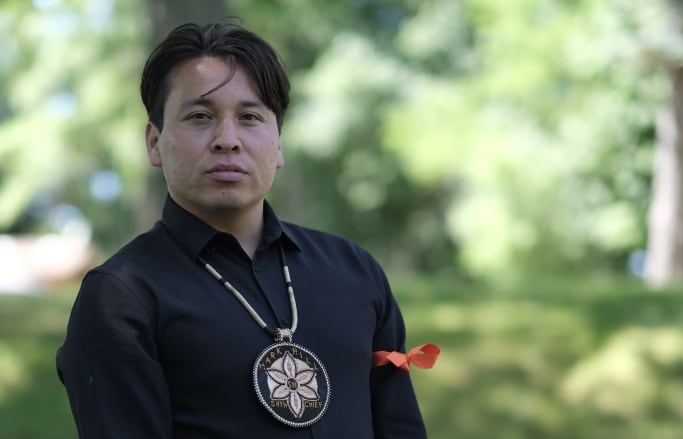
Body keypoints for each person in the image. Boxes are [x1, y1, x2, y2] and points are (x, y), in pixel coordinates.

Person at [56, 21, 437, 438]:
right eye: (200, 116)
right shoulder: (122, 297)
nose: (227, 140)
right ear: (154, 143)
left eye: (250, 117)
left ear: (279, 144)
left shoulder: (354, 272)